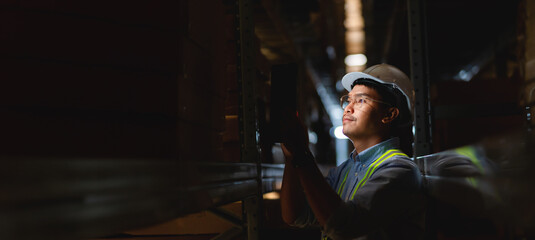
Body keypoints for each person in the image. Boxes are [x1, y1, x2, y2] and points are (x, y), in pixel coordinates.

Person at [280, 63, 425, 240]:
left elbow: (342, 226)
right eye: (349, 100)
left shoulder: (400, 172)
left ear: (389, 114)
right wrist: (291, 156)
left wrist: (302, 154)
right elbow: (295, 215)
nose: (348, 107)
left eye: (361, 100)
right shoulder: (345, 171)